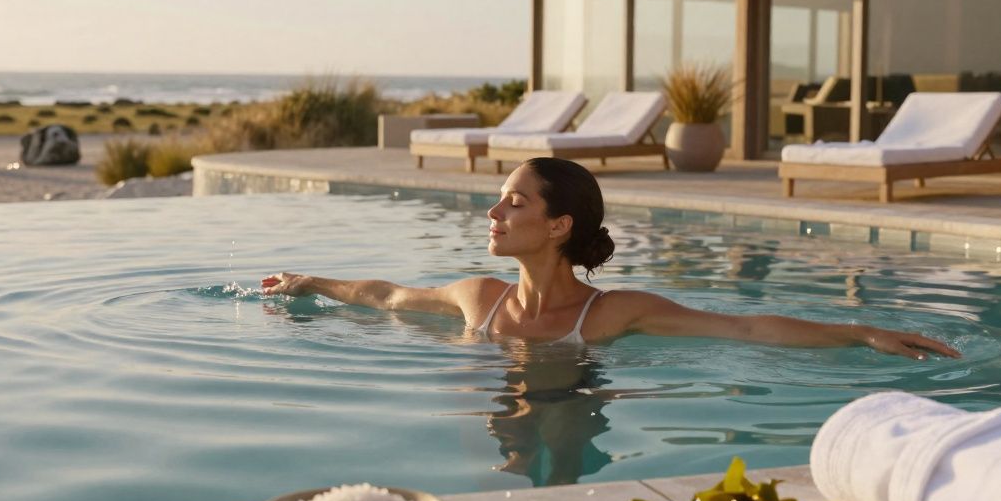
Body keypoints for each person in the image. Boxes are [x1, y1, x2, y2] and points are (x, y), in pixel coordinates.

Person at [262, 157, 960, 360]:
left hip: (575, 401)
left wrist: (861, 332)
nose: (494, 213)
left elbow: (744, 328)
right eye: (499, 200)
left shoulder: (609, 315)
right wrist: (313, 282)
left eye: (514, 202)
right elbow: (387, 296)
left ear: (559, 224)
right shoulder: (481, 298)